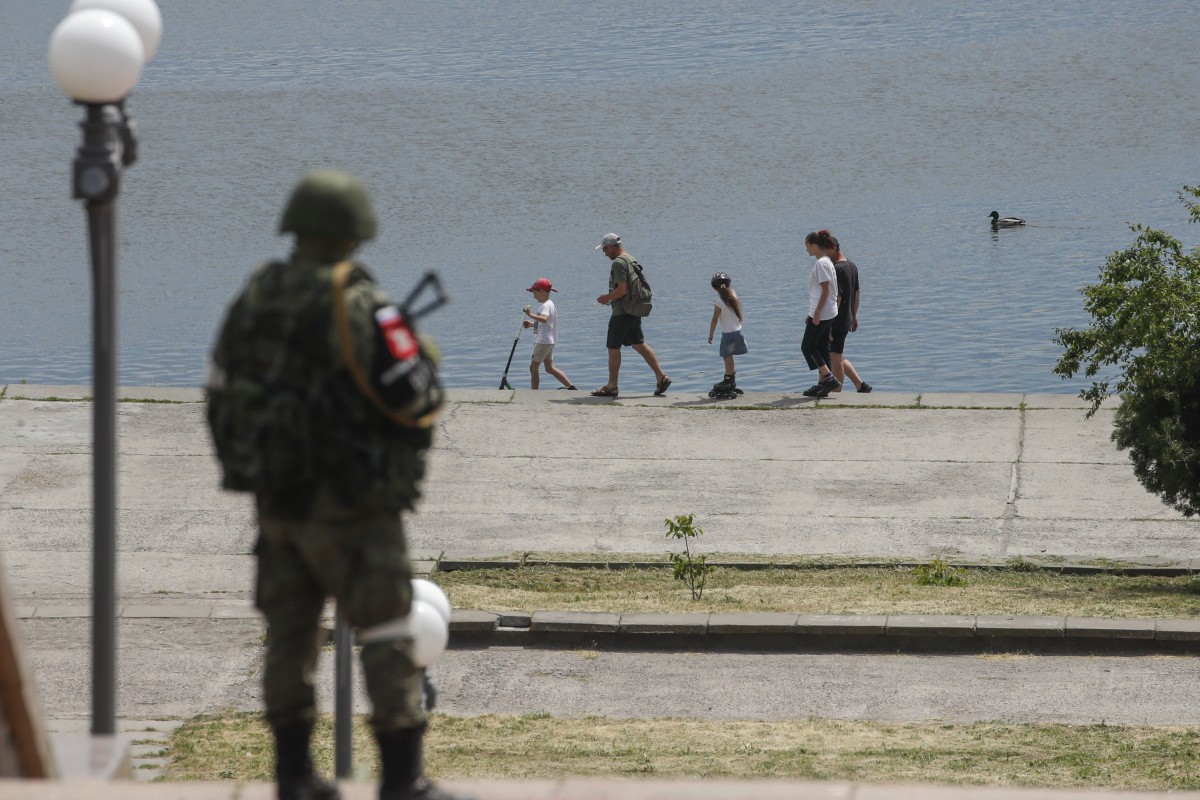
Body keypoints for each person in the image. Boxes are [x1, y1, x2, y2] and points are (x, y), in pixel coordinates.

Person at [206, 170, 467, 800]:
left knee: (289, 635)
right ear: (355, 232)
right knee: (386, 628)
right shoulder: (362, 303)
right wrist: (422, 350)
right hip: (353, 503)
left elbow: (220, 386)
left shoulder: (256, 293)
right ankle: (402, 780)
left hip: (277, 498)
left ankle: (293, 776)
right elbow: (416, 394)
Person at [591, 232, 671, 398]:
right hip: (633, 310)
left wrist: (605, 298)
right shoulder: (630, 258)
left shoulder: (618, 263)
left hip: (622, 312)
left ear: (612, 246)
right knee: (639, 344)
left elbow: (622, 289)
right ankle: (661, 377)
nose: (605, 253)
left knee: (613, 347)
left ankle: (612, 386)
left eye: (605, 249)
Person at [829, 236, 872, 393]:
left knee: (834, 356)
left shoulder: (837, 269)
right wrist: (854, 316)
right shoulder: (851, 265)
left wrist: (829, 323)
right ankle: (860, 385)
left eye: (825, 251)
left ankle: (837, 392)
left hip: (837, 320)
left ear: (833, 248)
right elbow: (857, 292)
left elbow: (837, 298)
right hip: (847, 317)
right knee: (836, 355)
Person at [800, 229, 840, 397]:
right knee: (822, 347)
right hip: (828, 311)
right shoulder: (827, 261)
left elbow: (825, 290)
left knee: (808, 346)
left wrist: (816, 314)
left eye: (807, 246)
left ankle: (829, 379)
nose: (807, 249)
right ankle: (822, 384)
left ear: (814, 246)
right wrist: (811, 313)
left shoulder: (821, 263)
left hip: (822, 313)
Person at [523, 277, 576, 390]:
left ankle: (534, 393)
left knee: (533, 367)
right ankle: (571, 387)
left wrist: (530, 315)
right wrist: (532, 324)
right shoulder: (550, 304)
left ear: (541, 291)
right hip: (549, 341)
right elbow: (545, 323)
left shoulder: (545, 305)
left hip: (543, 341)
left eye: (535, 293)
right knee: (549, 368)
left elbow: (544, 319)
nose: (534, 296)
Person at [706, 272, 747, 397]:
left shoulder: (718, 301)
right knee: (729, 357)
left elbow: (714, 319)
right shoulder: (733, 295)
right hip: (738, 332)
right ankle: (731, 378)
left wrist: (710, 334)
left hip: (728, 335)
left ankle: (728, 379)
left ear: (714, 288)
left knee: (727, 357)